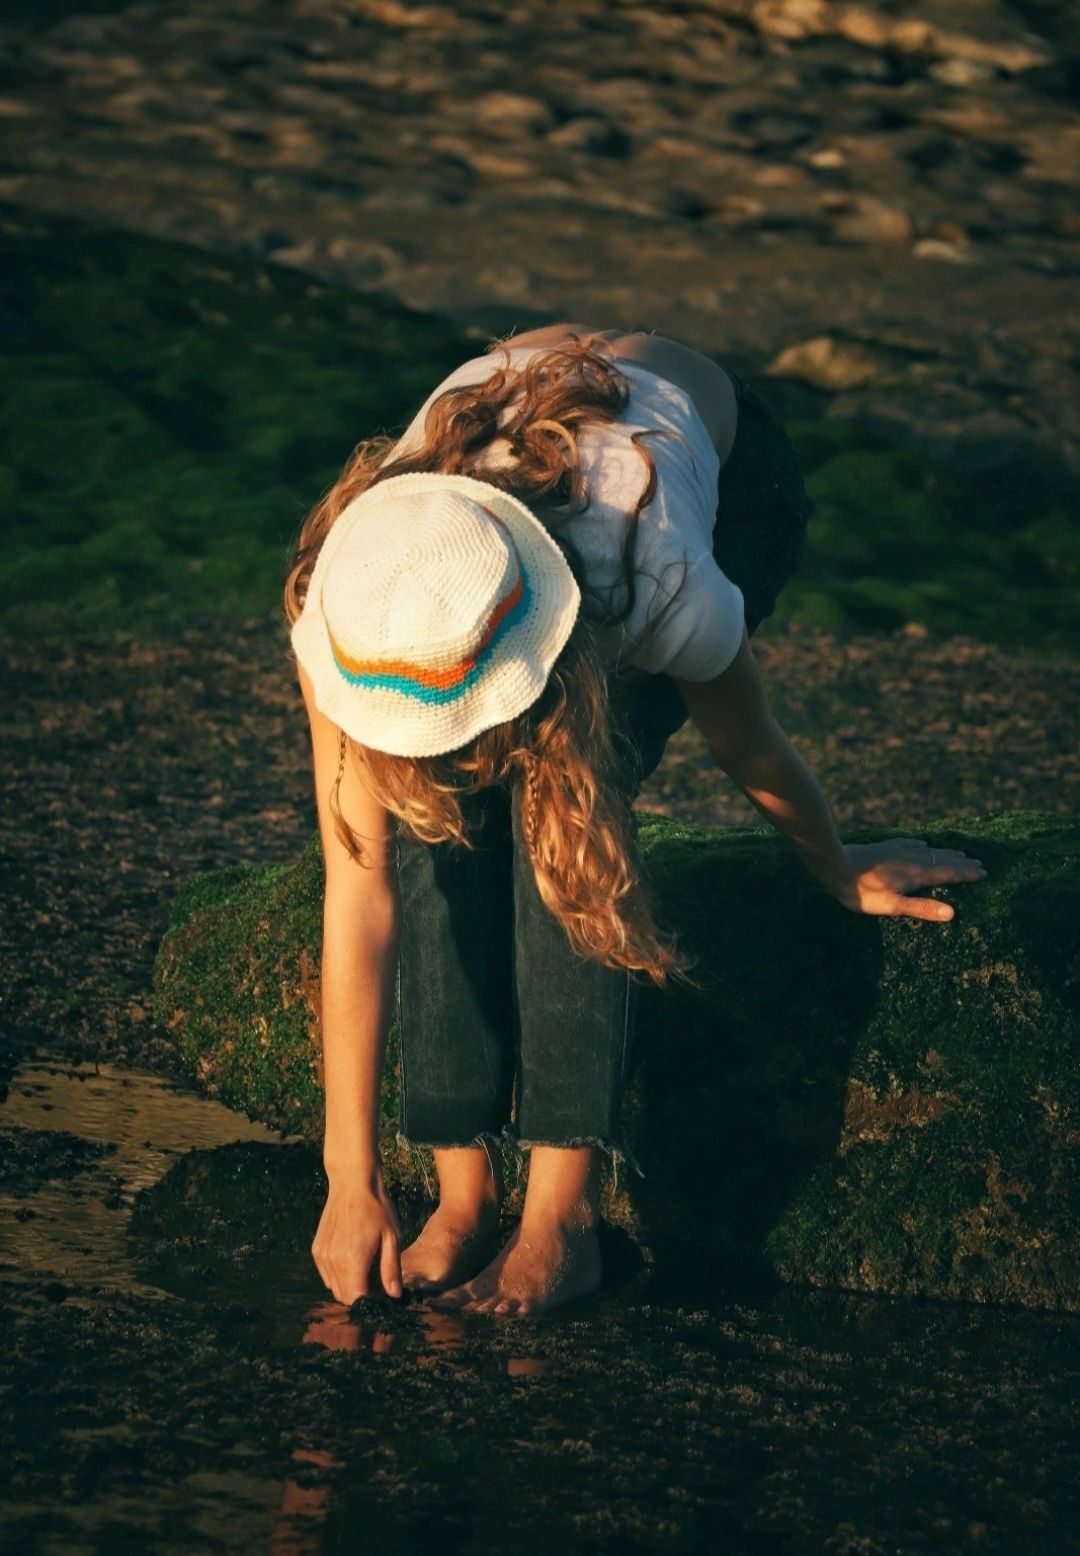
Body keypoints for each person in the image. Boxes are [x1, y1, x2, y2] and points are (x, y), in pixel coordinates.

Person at [282, 323, 988, 1320]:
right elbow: (360, 884)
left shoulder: (657, 581)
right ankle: (463, 1193)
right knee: (446, 826)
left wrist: (835, 865)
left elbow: (749, 742)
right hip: (528, 456)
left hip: (723, 474)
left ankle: (558, 1226)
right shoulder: (354, 601)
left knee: (562, 816)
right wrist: (346, 1176)